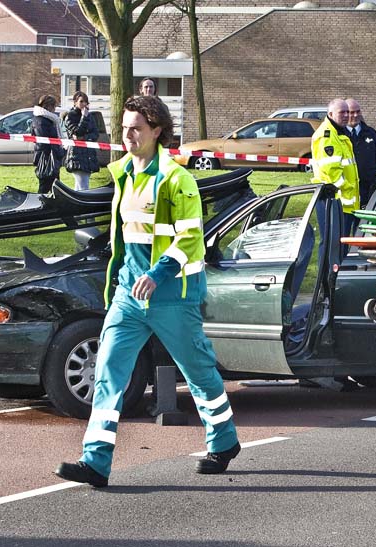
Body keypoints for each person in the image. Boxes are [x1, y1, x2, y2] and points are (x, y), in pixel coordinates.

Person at [54, 95, 240, 487]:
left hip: (173, 295)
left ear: (157, 131)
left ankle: (224, 441)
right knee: (107, 370)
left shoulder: (177, 179)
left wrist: (157, 274)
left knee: (198, 371)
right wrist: (124, 276)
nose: (128, 134)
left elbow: (192, 240)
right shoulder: (122, 172)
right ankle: (95, 462)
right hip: (129, 293)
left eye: (136, 127)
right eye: (124, 127)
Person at [311, 98, 360, 257]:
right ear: (330, 114)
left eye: (348, 111)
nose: (346, 115)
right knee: (332, 247)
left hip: (343, 202)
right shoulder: (327, 136)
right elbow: (332, 172)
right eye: (342, 112)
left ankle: (335, 280)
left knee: (340, 247)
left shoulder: (339, 132)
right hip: (333, 201)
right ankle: (327, 281)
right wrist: (348, 187)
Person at [346, 98, 376, 207]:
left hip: (367, 188)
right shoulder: (339, 134)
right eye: (352, 112)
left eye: (358, 111)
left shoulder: (370, 133)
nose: (356, 115)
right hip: (347, 189)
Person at [63, 91, 100, 191]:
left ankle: (78, 203)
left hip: (88, 154)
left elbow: (95, 133)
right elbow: (77, 132)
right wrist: (84, 117)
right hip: (77, 154)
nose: (84, 104)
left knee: (82, 184)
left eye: (86, 102)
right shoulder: (70, 116)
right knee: (83, 185)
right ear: (75, 102)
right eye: (81, 101)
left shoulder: (89, 116)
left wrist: (84, 138)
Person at [31, 94, 65, 194]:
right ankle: (40, 204)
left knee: (54, 185)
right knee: (45, 186)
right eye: (54, 106)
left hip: (51, 156)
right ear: (48, 106)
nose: (55, 109)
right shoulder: (40, 121)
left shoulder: (48, 120)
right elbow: (43, 142)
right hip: (46, 158)